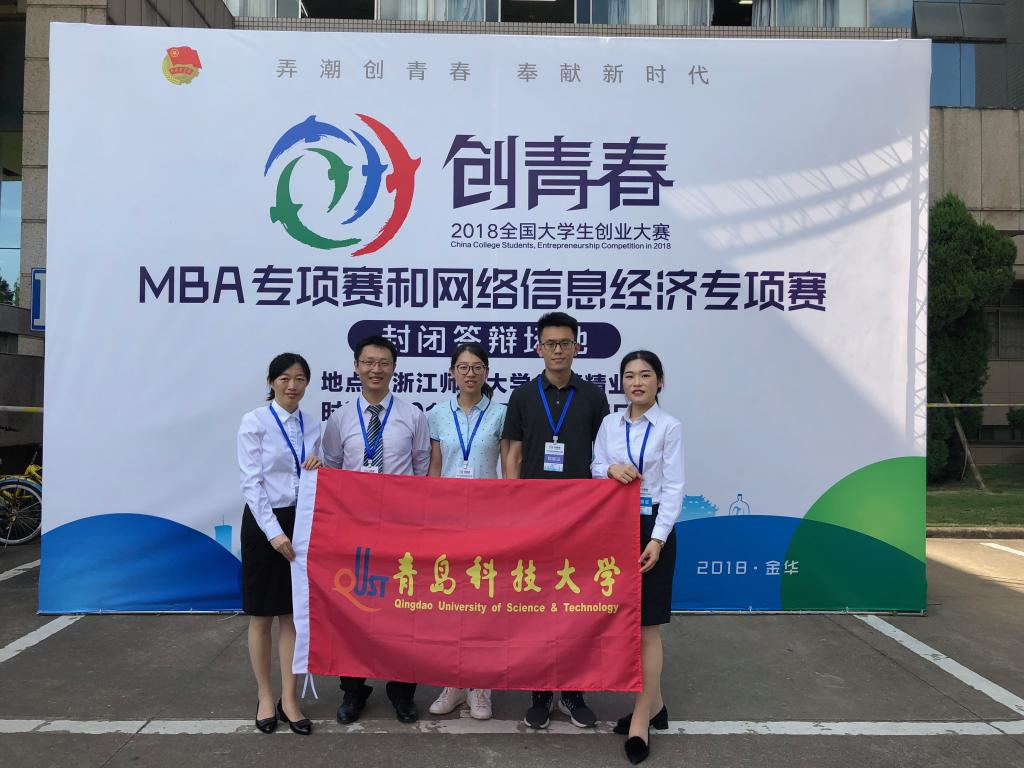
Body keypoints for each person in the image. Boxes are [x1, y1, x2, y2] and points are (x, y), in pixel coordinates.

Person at [501, 312, 610, 730]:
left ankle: (573, 691)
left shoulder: (594, 396)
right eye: (551, 343)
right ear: (539, 348)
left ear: (577, 347)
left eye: (565, 343)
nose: (558, 350)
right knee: (536, 603)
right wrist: (513, 507)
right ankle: (541, 692)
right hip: (534, 516)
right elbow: (512, 453)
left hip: (580, 517)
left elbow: (605, 454)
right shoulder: (523, 396)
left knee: (574, 604)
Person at [322, 334, 430, 724]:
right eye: (368, 362)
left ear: (394, 368)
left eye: (384, 363)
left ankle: (402, 692)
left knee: (403, 612)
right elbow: (332, 470)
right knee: (352, 612)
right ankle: (353, 691)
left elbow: (421, 470)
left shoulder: (412, 415)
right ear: (356, 367)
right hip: (355, 531)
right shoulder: (340, 418)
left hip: (401, 531)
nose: (376, 369)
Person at [591, 350, 684, 765]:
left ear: (659, 381)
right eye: (629, 376)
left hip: (652, 530)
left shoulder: (669, 427)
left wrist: (658, 539)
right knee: (627, 622)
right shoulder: (610, 424)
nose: (637, 382)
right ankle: (656, 705)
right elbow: (595, 464)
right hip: (616, 525)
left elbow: (674, 488)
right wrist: (610, 469)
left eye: (646, 375)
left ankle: (641, 721)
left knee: (647, 627)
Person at [237, 352, 322, 736]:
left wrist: (319, 467)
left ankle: (290, 698)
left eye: (299, 379)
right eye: (285, 378)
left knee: (292, 615)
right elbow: (251, 483)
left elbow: (315, 475)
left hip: (301, 522)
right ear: (271, 382)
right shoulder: (254, 422)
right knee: (261, 616)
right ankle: (265, 695)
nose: (292, 385)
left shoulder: (312, 424)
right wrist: (274, 534)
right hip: (263, 524)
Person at [425, 343, 507, 721]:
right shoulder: (437, 414)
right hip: (449, 522)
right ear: (452, 372)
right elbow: (435, 467)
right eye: (462, 367)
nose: (469, 373)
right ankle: (453, 683)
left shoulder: (502, 414)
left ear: (486, 372)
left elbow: (509, 465)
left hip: (489, 521)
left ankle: (480, 687)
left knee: (483, 604)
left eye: (477, 367)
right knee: (450, 604)